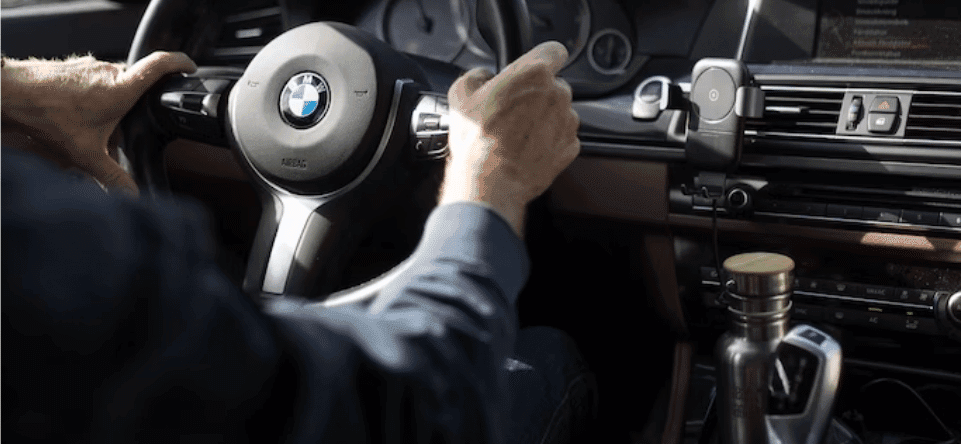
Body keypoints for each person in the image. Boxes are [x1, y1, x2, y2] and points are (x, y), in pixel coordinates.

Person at [1, 42, 595, 443]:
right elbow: (416, 405)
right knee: (542, 359)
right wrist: (490, 174)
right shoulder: (41, 251)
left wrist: (14, 93)